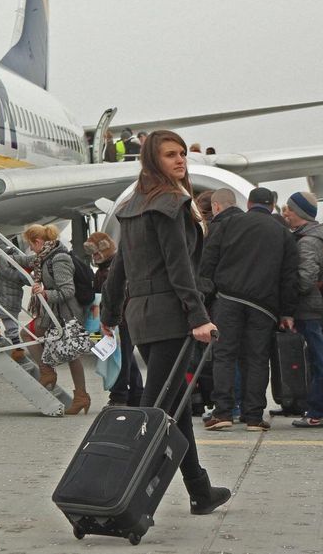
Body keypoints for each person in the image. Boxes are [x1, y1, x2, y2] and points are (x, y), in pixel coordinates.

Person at [101, 130, 231, 516]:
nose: (180, 161)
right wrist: (199, 318)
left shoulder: (135, 204)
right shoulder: (173, 202)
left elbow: (119, 268)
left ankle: (199, 490)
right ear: (152, 160)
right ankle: (124, 497)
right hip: (172, 318)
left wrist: (109, 313)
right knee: (155, 411)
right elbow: (179, 269)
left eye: (181, 154)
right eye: (170, 155)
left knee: (168, 406)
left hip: (141, 317)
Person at [197, 188, 298, 431]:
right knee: (257, 360)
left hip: (228, 300)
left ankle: (223, 413)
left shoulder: (228, 224)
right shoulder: (283, 232)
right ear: (272, 206)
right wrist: (287, 312)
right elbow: (289, 276)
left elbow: (207, 262)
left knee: (224, 356)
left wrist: (205, 300)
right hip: (263, 306)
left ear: (249, 203)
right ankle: (253, 417)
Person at [20, 224, 91, 414]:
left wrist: (44, 293)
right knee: (72, 355)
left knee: (27, 333)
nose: (31, 250)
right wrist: (8, 257)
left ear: (38, 242)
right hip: (54, 313)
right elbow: (28, 260)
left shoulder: (59, 259)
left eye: (31, 245)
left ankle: (47, 372)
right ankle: (81, 396)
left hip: (64, 313)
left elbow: (68, 290)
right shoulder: (45, 257)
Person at [281, 191, 323, 428]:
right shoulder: (318, 237)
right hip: (317, 309)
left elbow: (306, 278)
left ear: (298, 213)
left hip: (310, 310)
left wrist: (289, 290)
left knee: (321, 360)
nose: (285, 213)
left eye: (288, 209)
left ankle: (318, 411)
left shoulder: (307, 241)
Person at [85, 232, 144, 407]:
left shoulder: (110, 271)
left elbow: (114, 297)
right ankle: (136, 394)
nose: (95, 258)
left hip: (116, 323)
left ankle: (119, 396)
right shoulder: (110, 269)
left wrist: (108, 320)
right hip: (117, 321)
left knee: (121, 359)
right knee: (125, 358)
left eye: (96, 254)